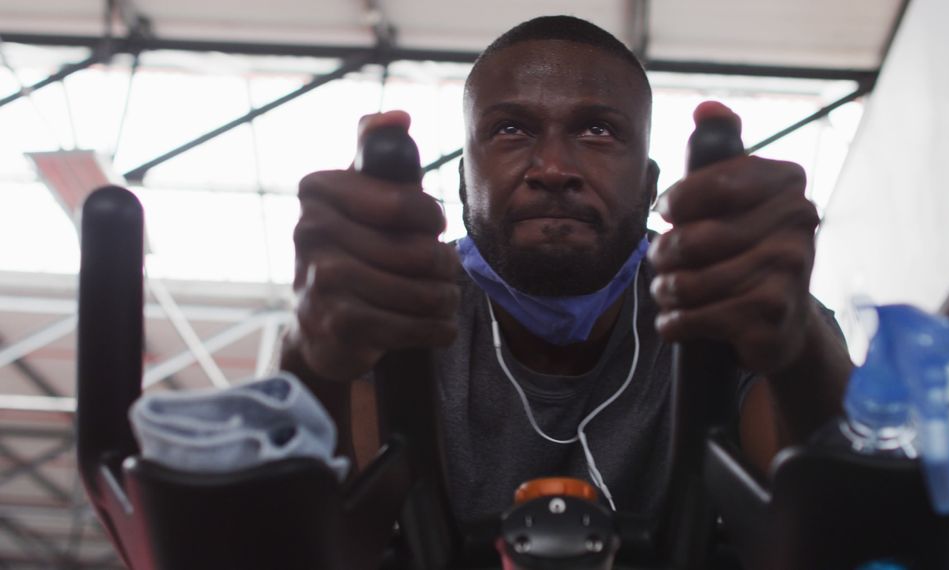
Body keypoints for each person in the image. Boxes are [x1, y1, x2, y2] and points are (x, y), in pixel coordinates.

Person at [281, 15, 853, 522]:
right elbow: (303, 536)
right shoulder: (386, 303)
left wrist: (798, 342)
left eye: (597, 130)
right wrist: (310, 358)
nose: (553, 167)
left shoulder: (738, 300)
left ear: (650, 186)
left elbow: (841, 523)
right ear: (460, 182)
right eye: (511, 129)